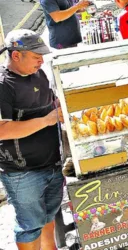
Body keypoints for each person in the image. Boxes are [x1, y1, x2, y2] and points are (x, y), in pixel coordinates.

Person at [0, 29, 65, 250]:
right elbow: (2, 130)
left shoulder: (39, 74)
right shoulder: (3, 85)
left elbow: (51, 102)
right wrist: (48, 120)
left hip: (52, 162)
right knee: (29, 225)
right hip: (22, 171)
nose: (41, 61)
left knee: (48, 217)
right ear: (16, 55)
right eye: (36, 57)